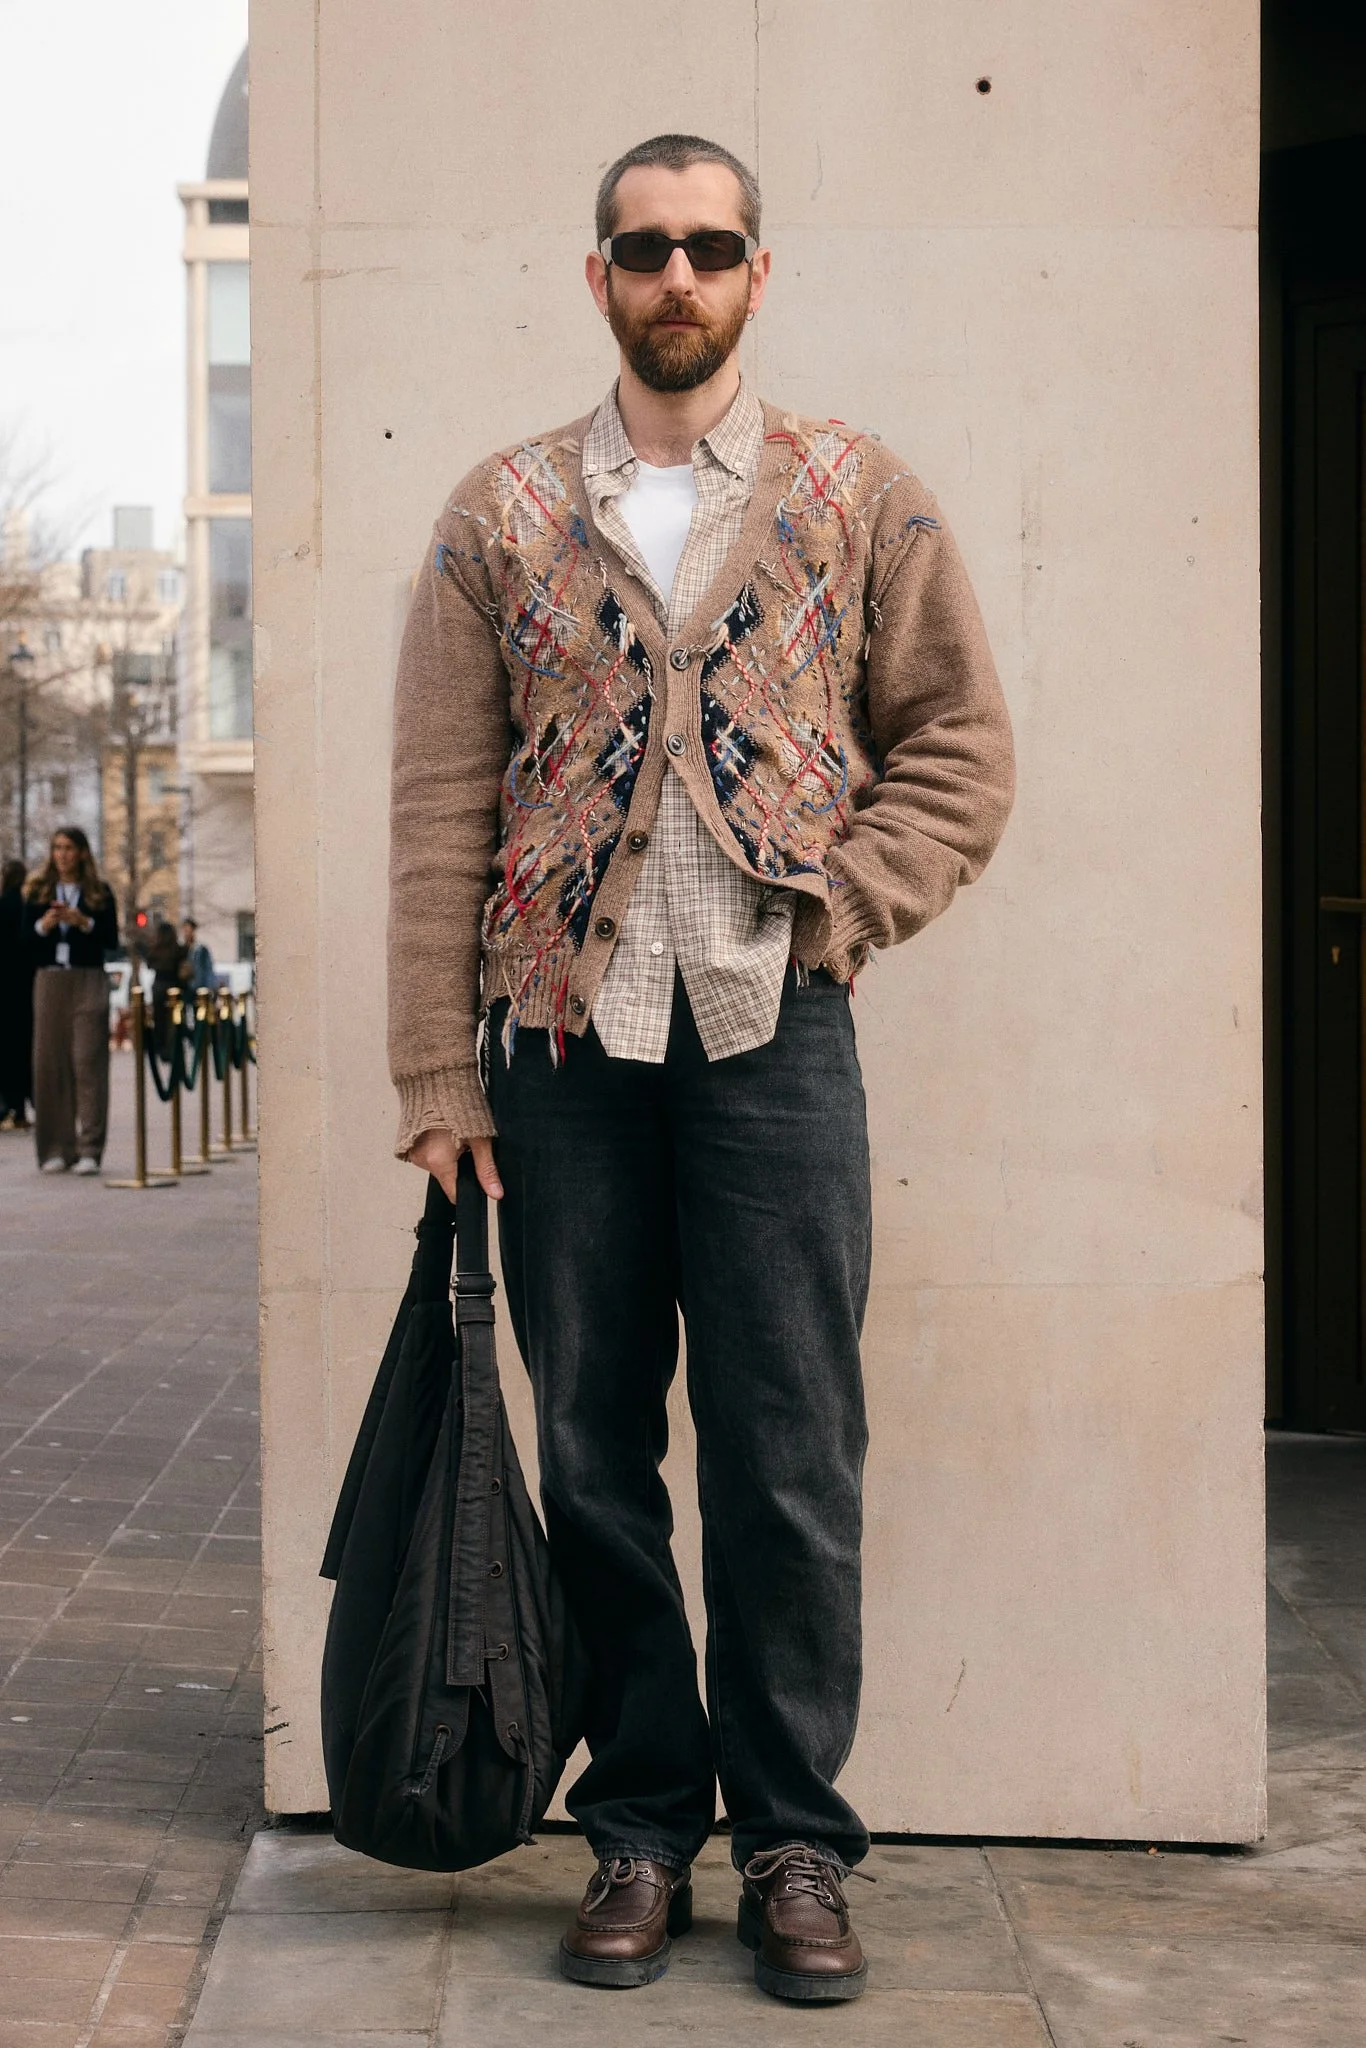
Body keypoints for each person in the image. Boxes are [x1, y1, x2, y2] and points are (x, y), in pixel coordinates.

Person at [386, 134, 1014, 2001]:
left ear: (756, 272)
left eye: (710, 246)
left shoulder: (851, 495)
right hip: (562, 1045)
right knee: (591, 1445)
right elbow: (437, 806)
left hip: (773, 1033)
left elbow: (961, 746)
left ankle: (798, 1838)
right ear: (597, 275)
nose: (678, 275)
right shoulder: (497, 512)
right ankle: (645, 1825)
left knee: (788, 1453)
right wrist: (439, 1065)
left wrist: (846, 910)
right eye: (644, 247)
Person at [23, 827, 119, 1174]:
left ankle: (90, 1147)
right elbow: (23, 941)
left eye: (68, 848)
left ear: (81, 853)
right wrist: (43, 926)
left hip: (88, 979)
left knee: (87, 1062)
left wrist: (84, 922)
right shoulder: (37, 891)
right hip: (49, 980)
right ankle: (55, 1148)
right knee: (50, 1065)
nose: (62, 854)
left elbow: (111, 939)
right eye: (56, 848)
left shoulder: (98, 892)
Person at [0, 857, 35, 1128]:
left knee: (6, 1049)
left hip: (4, 988)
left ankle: (10, 1106)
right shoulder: (24, 908)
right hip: (24, 988)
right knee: (23, 1047)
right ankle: (22, 1108)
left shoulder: (3, 906)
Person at [180, 919, 216, 993]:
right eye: (185, 930)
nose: (186, 933)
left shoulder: (201, 949)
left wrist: (209, 987)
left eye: (188, 930)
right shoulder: (181, 949)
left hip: (199, 986)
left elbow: (208, 969)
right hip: (185, 987)